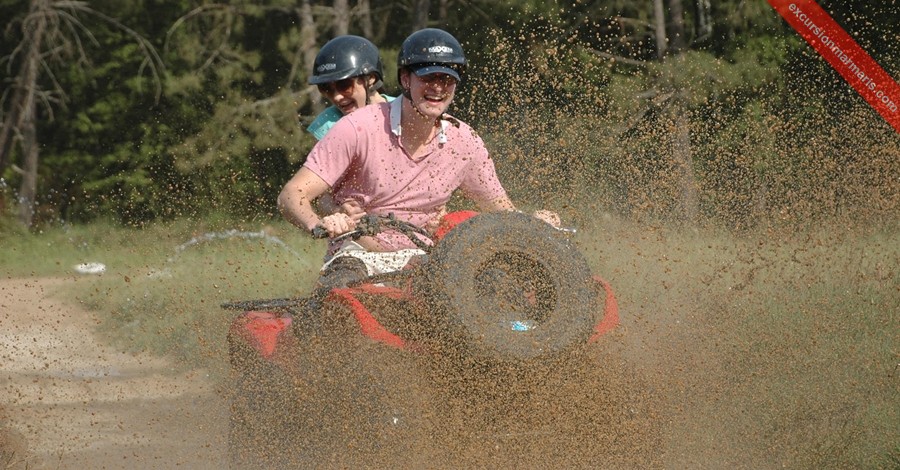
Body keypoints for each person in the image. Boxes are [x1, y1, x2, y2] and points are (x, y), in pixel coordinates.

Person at [279, 28, 558, 290]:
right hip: (357, 256)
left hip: (424, 263)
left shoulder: (466, 142)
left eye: (446, 79)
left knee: (491, 286)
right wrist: (319, 223)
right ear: (405, 80)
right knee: (341, 294)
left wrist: (533, 222)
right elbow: (292, 194)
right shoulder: (356, 128)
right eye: (428, 77)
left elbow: (500, 211)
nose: (437, 87)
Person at [305, 35, 395, 141]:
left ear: (371, 78)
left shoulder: (403, 112)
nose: (336, 96)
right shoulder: (325, 125)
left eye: (344, 85)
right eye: (326, 88)